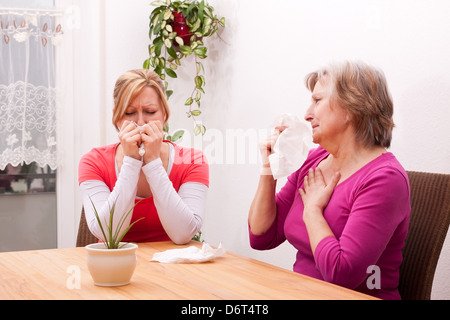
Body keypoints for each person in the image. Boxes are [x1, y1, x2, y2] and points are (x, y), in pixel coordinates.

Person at [248, 61, 410, 300]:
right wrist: (269, 168)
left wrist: (313, 211)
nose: (306, 114)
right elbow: (262, 236)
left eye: (317, 101)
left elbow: (341, 274)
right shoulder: (313, 161)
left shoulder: (385, 179)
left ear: (351, 108)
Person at [78, 69, 209, 245]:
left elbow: (183, 234)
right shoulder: (93, 161)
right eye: (129, 113)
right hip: (116, 265)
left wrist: (153, 163)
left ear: (164, 114)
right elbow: (108, 235)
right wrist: (131, 162)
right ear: (116, 117)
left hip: (172, 266)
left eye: (150, 111)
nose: (140, 122)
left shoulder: (193, 161)